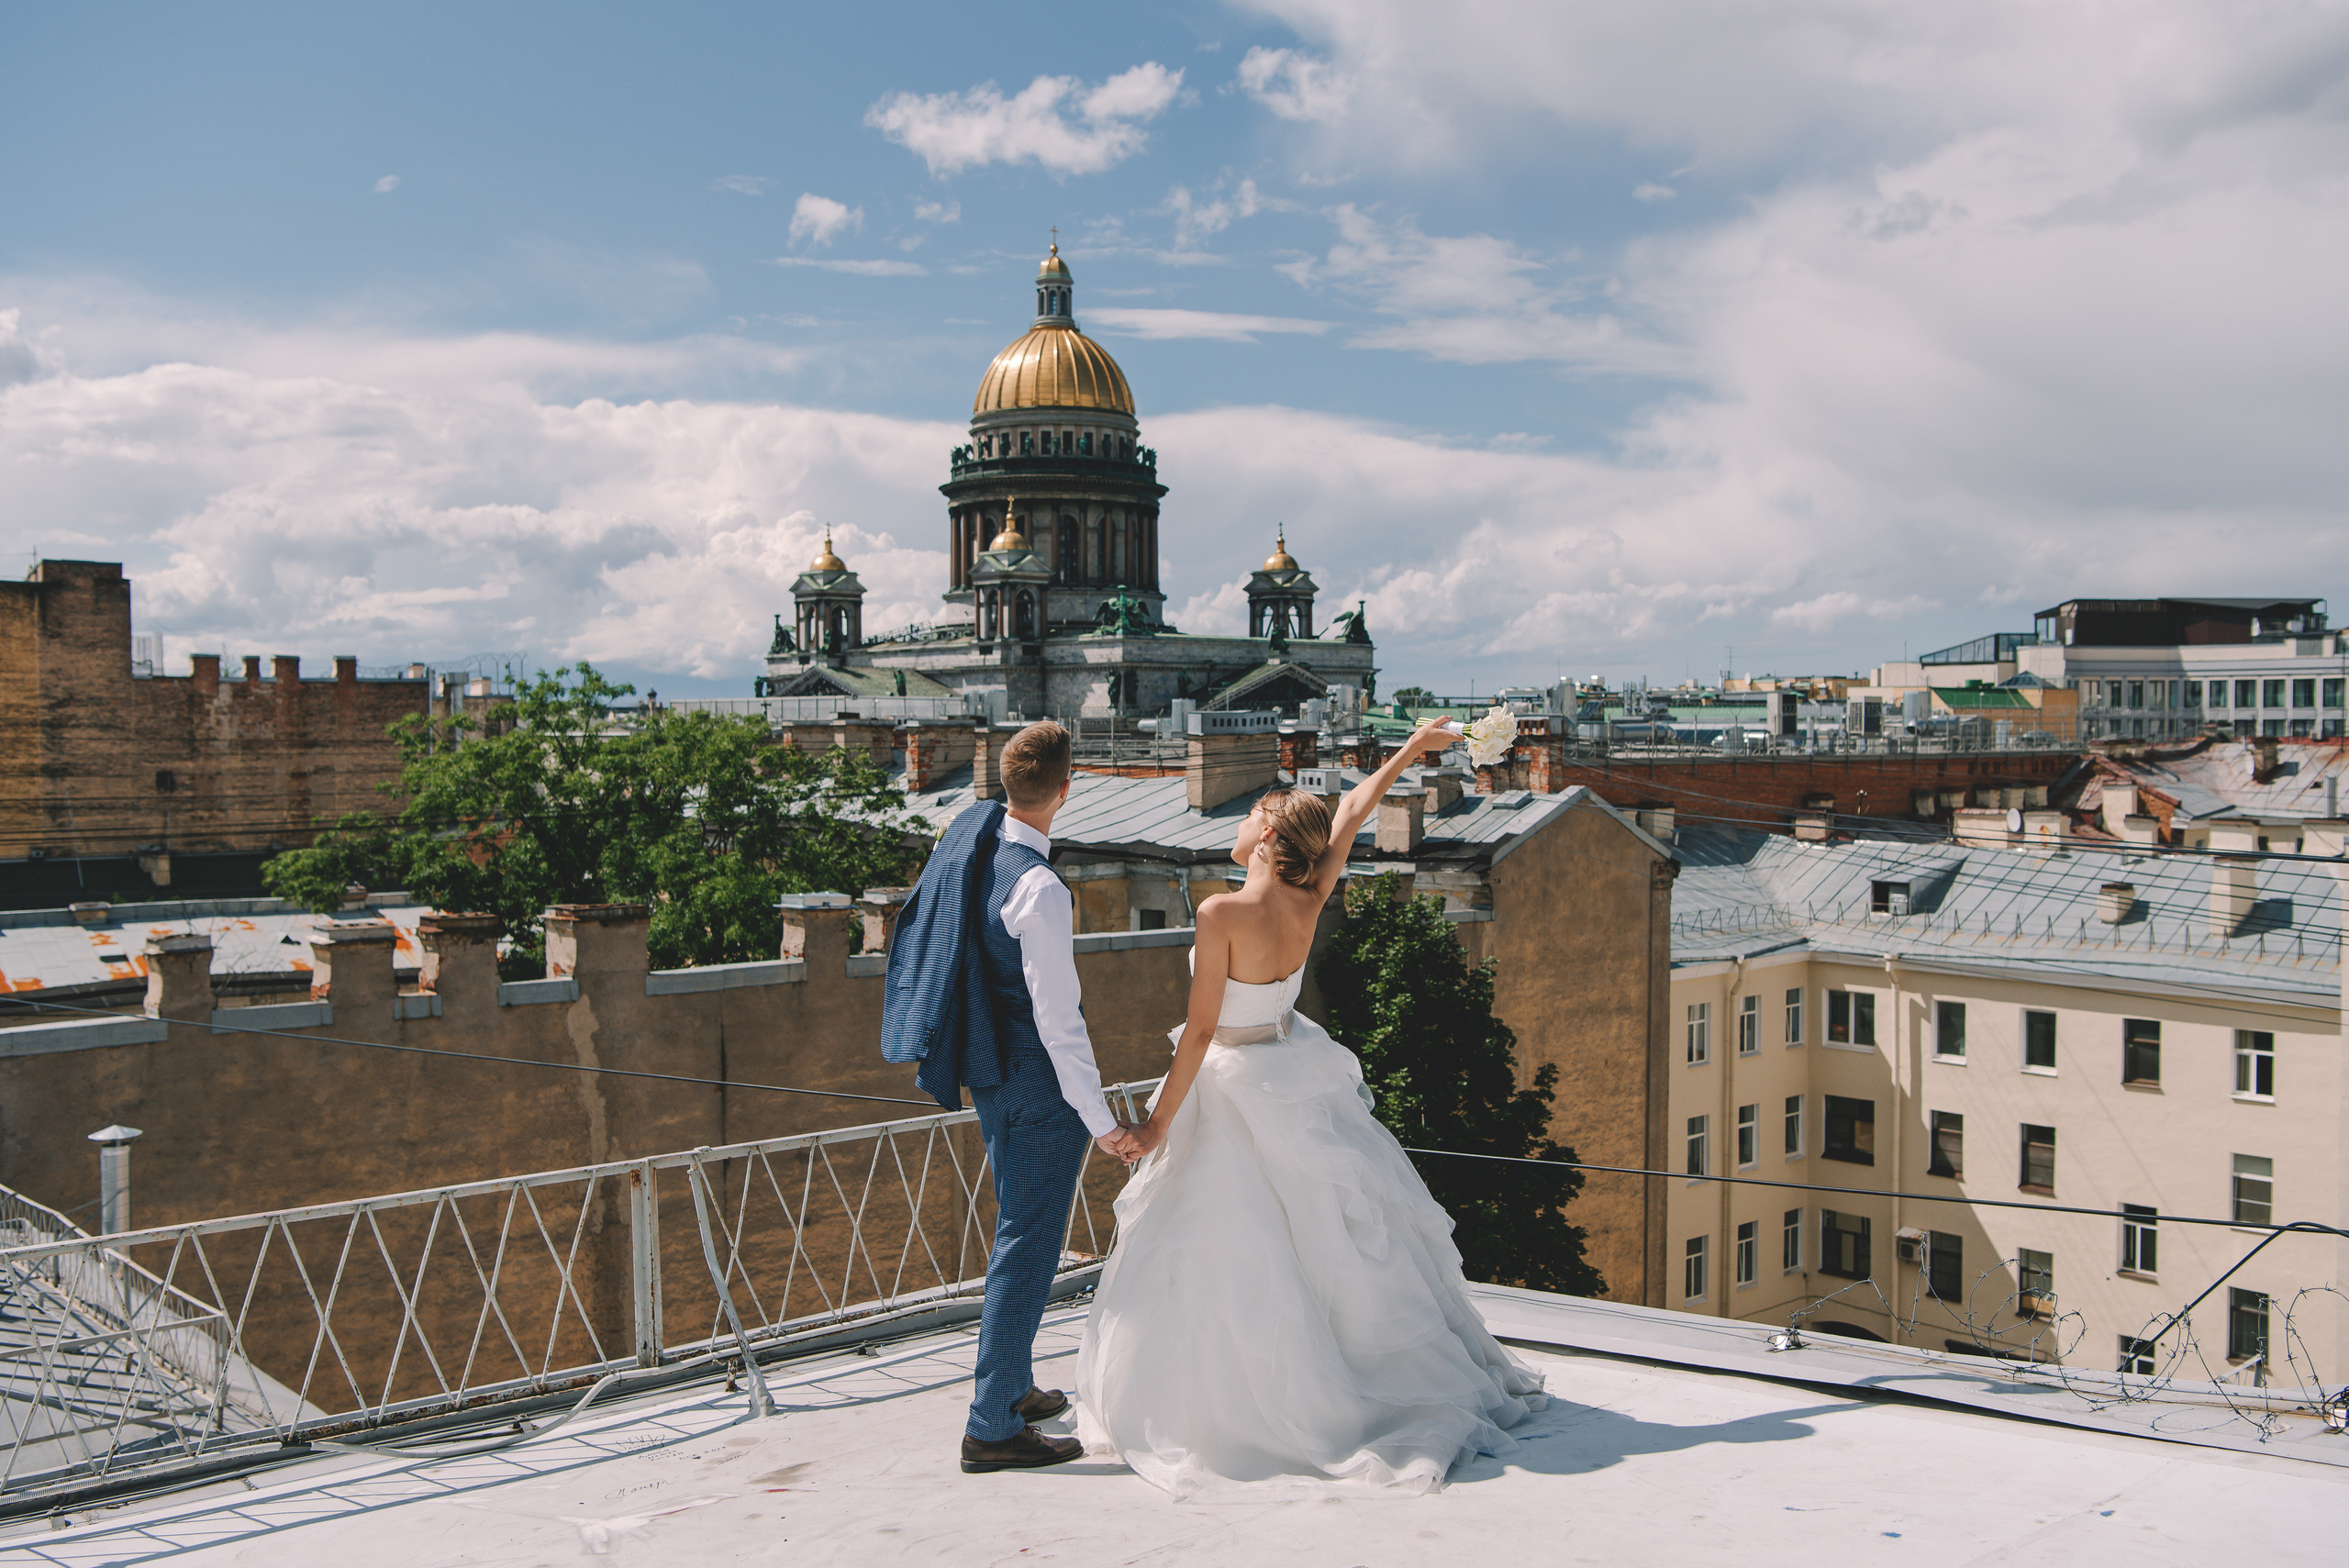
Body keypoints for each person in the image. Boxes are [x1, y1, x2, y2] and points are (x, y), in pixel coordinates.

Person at [1074, 719, 1547, 1498]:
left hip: (1231, 1084)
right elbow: (1353, 812)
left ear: (1266, 835)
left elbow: (1200, 1031)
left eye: (1250, 813)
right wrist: (1410, 750)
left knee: (1224, 1243)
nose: (1238, 822)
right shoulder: (1310, 896)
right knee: (1323, 1242)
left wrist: (1156, 1124)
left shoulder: (1220, 913)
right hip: (1292, 1072)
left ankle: (1240, 1410)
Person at [880, 719, 1141, 1474]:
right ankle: (991, 1425)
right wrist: (1101, 1121)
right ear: (1067, 789)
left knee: (1018, 1233)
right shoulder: (1040, 887)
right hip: (1037, 1083)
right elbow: (1060, 1023)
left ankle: (1016, 1387)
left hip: (989, 1068)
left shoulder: (976, 843)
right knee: (1027, 1246)